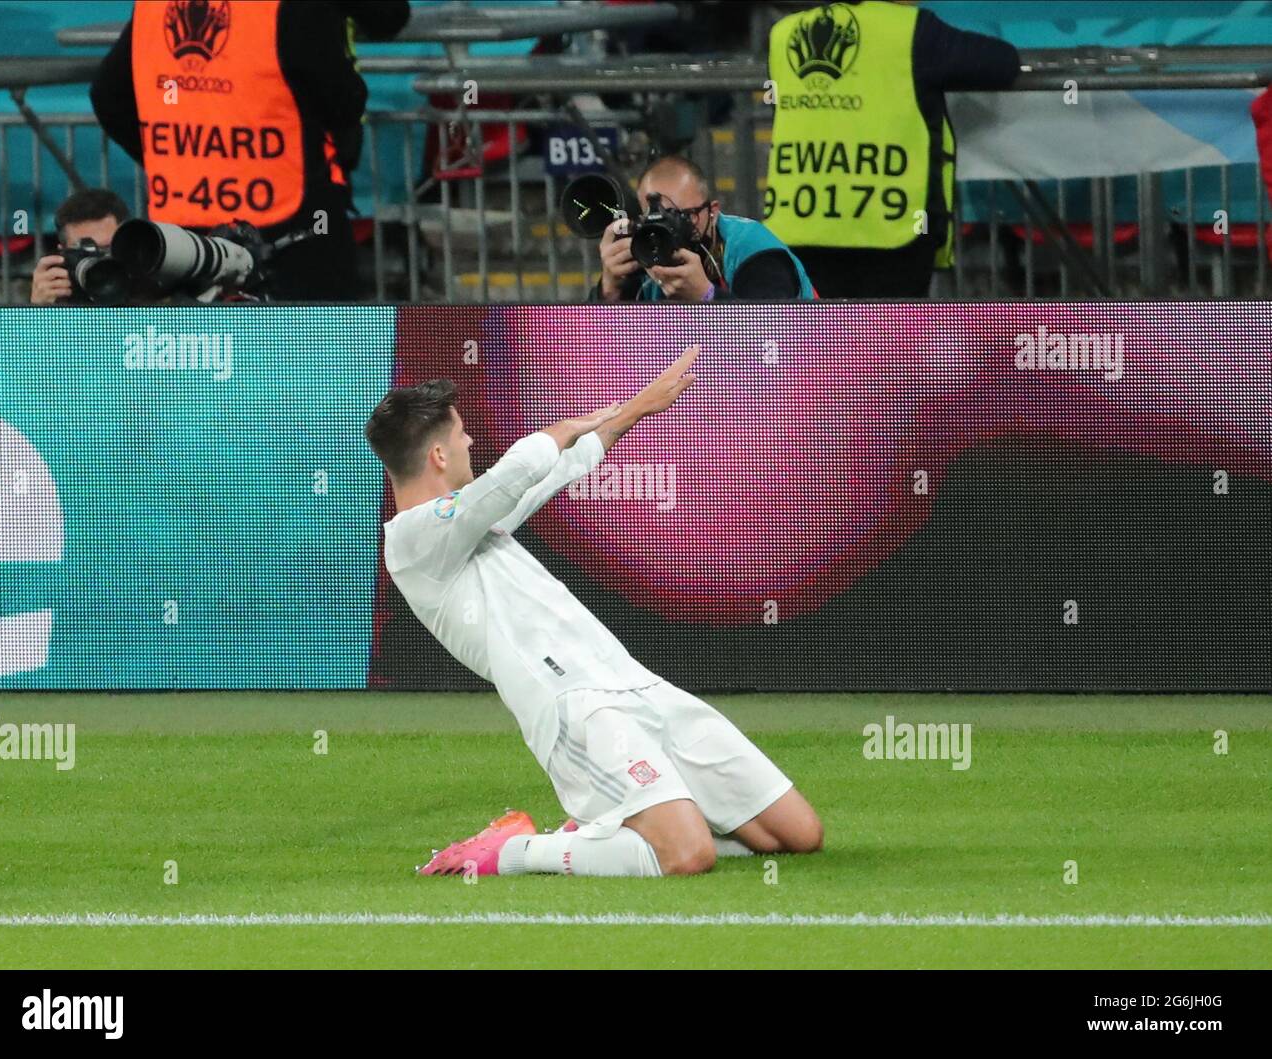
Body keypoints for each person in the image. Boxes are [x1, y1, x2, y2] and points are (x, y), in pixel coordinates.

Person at [365, 346, 824, 877]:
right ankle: (511, 852)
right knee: (687, 856)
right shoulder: (414, 542)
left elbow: (557, 468)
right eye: (463, 435)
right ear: (438, 457)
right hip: (576, 709)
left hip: (635, 684)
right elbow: (520, 467)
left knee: (796, 834)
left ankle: (614, 831)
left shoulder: (473, 517)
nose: (472, 442)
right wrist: (601, 415)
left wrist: (639, 410)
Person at [89, 0, 410, 301]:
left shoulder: (156, 6)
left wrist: (180, 166)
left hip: (187, 234)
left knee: (209, 354)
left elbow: (109, 96)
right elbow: (344, 100)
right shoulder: (290, 8)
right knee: (318, 351)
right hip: (294, 228)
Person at [765, 0, 1020, 298]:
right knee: (891, 343)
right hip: (891, 231)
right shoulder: (912, 30)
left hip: (801, 227)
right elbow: (1002, 63)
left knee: (820, 342)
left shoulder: (784, 33)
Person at [593, 156, 816, 302]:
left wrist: (706, 296)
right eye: (656, 219)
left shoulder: (752, 249)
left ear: (713, 211)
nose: (669, 229)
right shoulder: (643, 251)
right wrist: (608, 290)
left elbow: (777, 342)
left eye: (683, 216)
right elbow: (589, 353)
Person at [29, 188, 131, 305]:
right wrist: (39, 311)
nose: (97, 262)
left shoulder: (145, 288)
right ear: (63, 255)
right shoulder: (60, 295)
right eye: (85, 253)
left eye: (106, 249)